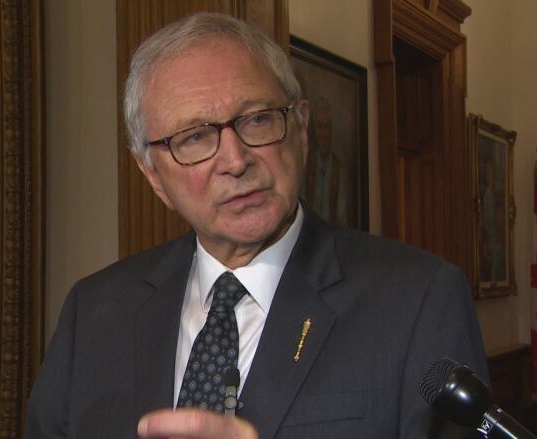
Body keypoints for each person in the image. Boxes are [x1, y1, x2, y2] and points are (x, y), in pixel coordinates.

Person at [25, 12, 488, 439]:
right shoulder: (94, 312)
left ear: (302, 130)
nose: (235, 160)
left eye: (258, 119)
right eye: (195, 137)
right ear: (153, 176)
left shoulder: (418, 299)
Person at [303, 97, 347, 225]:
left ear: (331, 130)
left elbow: (342, 217)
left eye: (326, 127)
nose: (322, 134)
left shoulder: (339, 170)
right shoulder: (306, 165)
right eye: (319, 127)